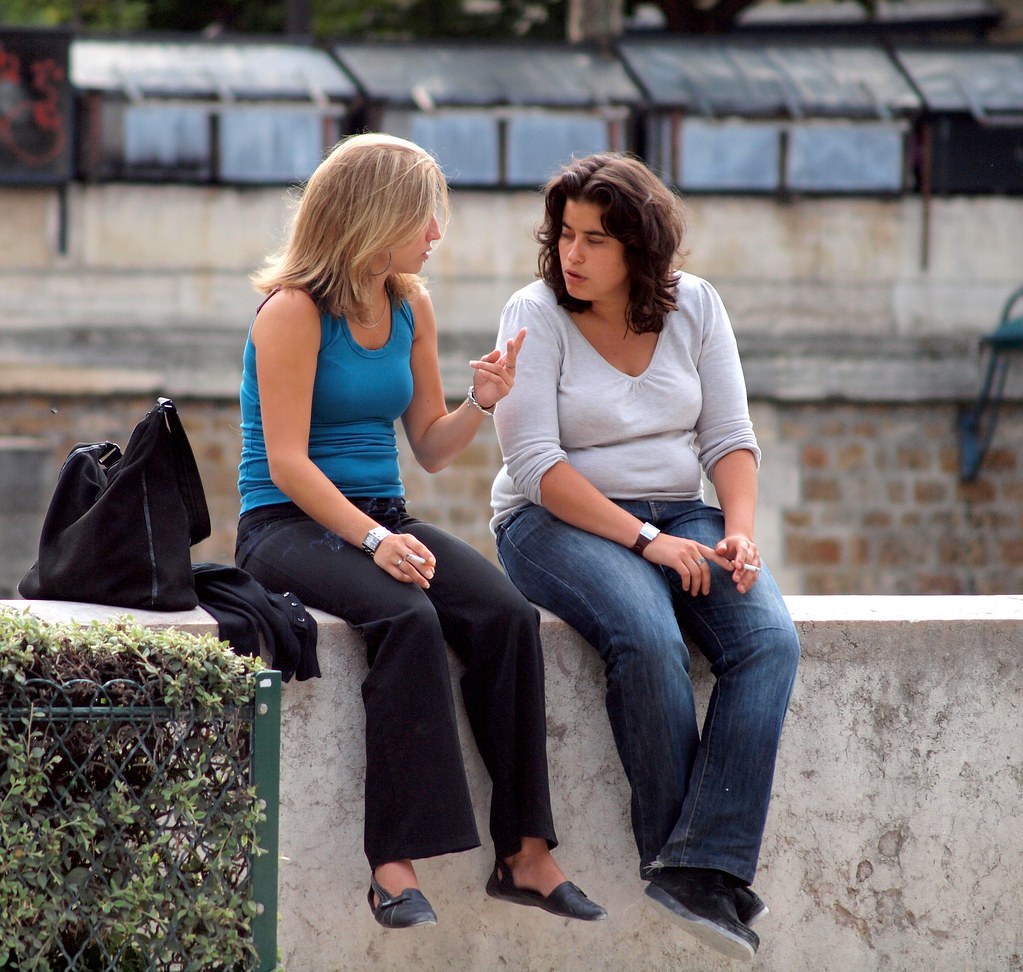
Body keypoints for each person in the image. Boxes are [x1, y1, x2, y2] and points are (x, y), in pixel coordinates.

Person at [234, 133, 606, 929]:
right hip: (285, 525)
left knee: (505, 617)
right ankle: (391, 866)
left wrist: (481, 401)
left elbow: (431, 448)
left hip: (383, 519)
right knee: (405, 617)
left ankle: (525, 852)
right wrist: (373, 543)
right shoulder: (292, 311)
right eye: (424, 217)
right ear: (374, 217)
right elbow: (290, 463)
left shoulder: (410, 305)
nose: (435, 234)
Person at [490, 153, 800, 961]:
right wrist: (648, 543)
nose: (573, 254)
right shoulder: (533, 312)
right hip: (553, 522)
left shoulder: (695, 306)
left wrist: (735, 531)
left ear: (640, 247)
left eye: (596, 238)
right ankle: (681, 861)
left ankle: (697, 863)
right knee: (647, 633)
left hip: (682, 514)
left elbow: (729, 436)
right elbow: (536, 467)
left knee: (769, 640)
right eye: (564, 235)